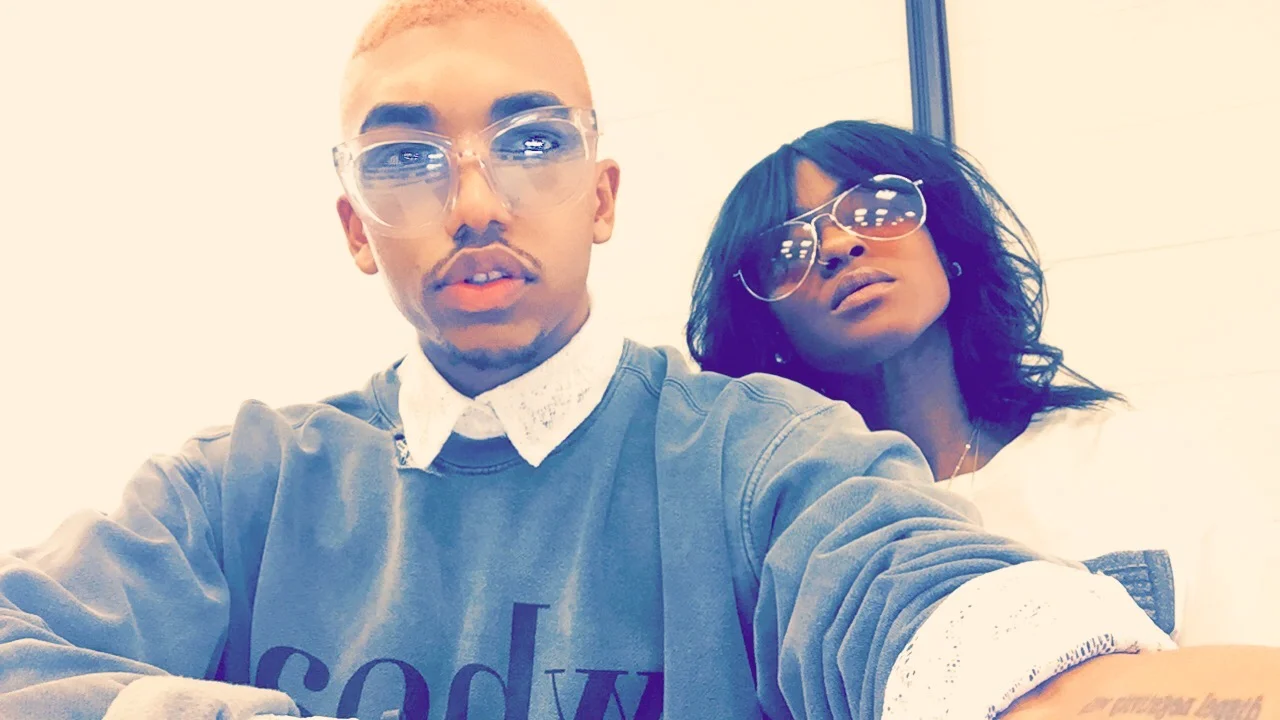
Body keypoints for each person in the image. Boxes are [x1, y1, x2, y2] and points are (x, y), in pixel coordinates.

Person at [2, 2, 1270, 718]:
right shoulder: (243, 482)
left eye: (530, 142)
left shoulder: (759, 454)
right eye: (404, 159)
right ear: (352, 227)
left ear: (601, 197)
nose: (475, 202)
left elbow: (920, 600)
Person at [687, 118, 1280, 648]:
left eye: (875, 207)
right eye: (787, 249)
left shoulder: (1138, 460)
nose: (839, 245)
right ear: (769, 325)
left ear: (948, 244)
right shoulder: (773, 545)